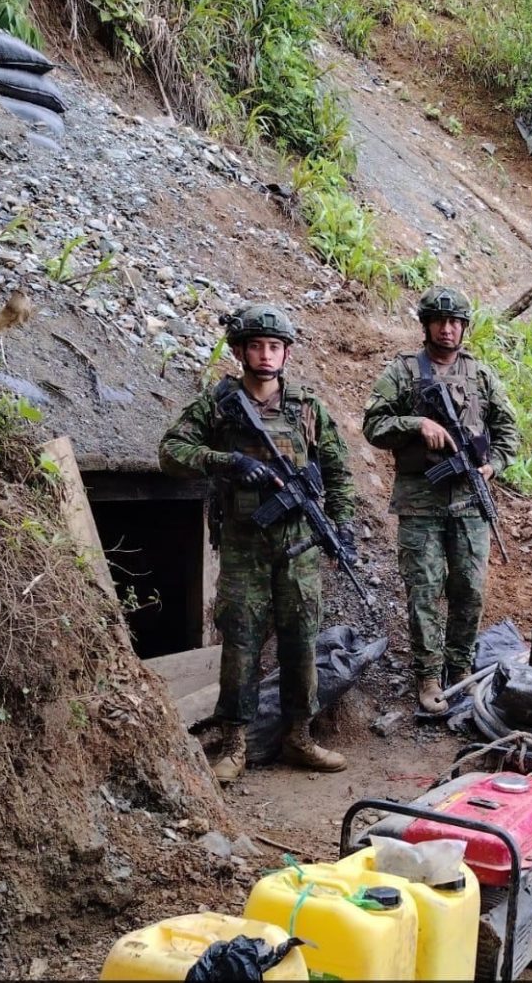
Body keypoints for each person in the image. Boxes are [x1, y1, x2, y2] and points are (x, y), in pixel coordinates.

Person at [159, 303, 356, 783]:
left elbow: (338, 471)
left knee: (301, 643)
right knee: (241, 644)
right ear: (241, 351)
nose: (266, 356)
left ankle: (300, 735)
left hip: (300, 547)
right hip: (246, 546)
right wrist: (225, 460)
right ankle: (235, 744)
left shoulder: (307, 407)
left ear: (285, 352)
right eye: (257, 347)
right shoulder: (218, 404)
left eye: (274, 347)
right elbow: (170, 452)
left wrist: (343, 524)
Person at [362, 286, 519, 714]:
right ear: (426, 325)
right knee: (424, 591)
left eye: (455, 322)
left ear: (464, 327)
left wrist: (494, 466)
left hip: (470, 500)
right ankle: (428, 676)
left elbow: (508, 432)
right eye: (439, 321)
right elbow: (373, 425)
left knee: (469, 589)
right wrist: (417, 424)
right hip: (420, 502)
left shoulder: (481, 375)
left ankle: (461, 669)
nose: (447, 329)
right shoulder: (402, 371)